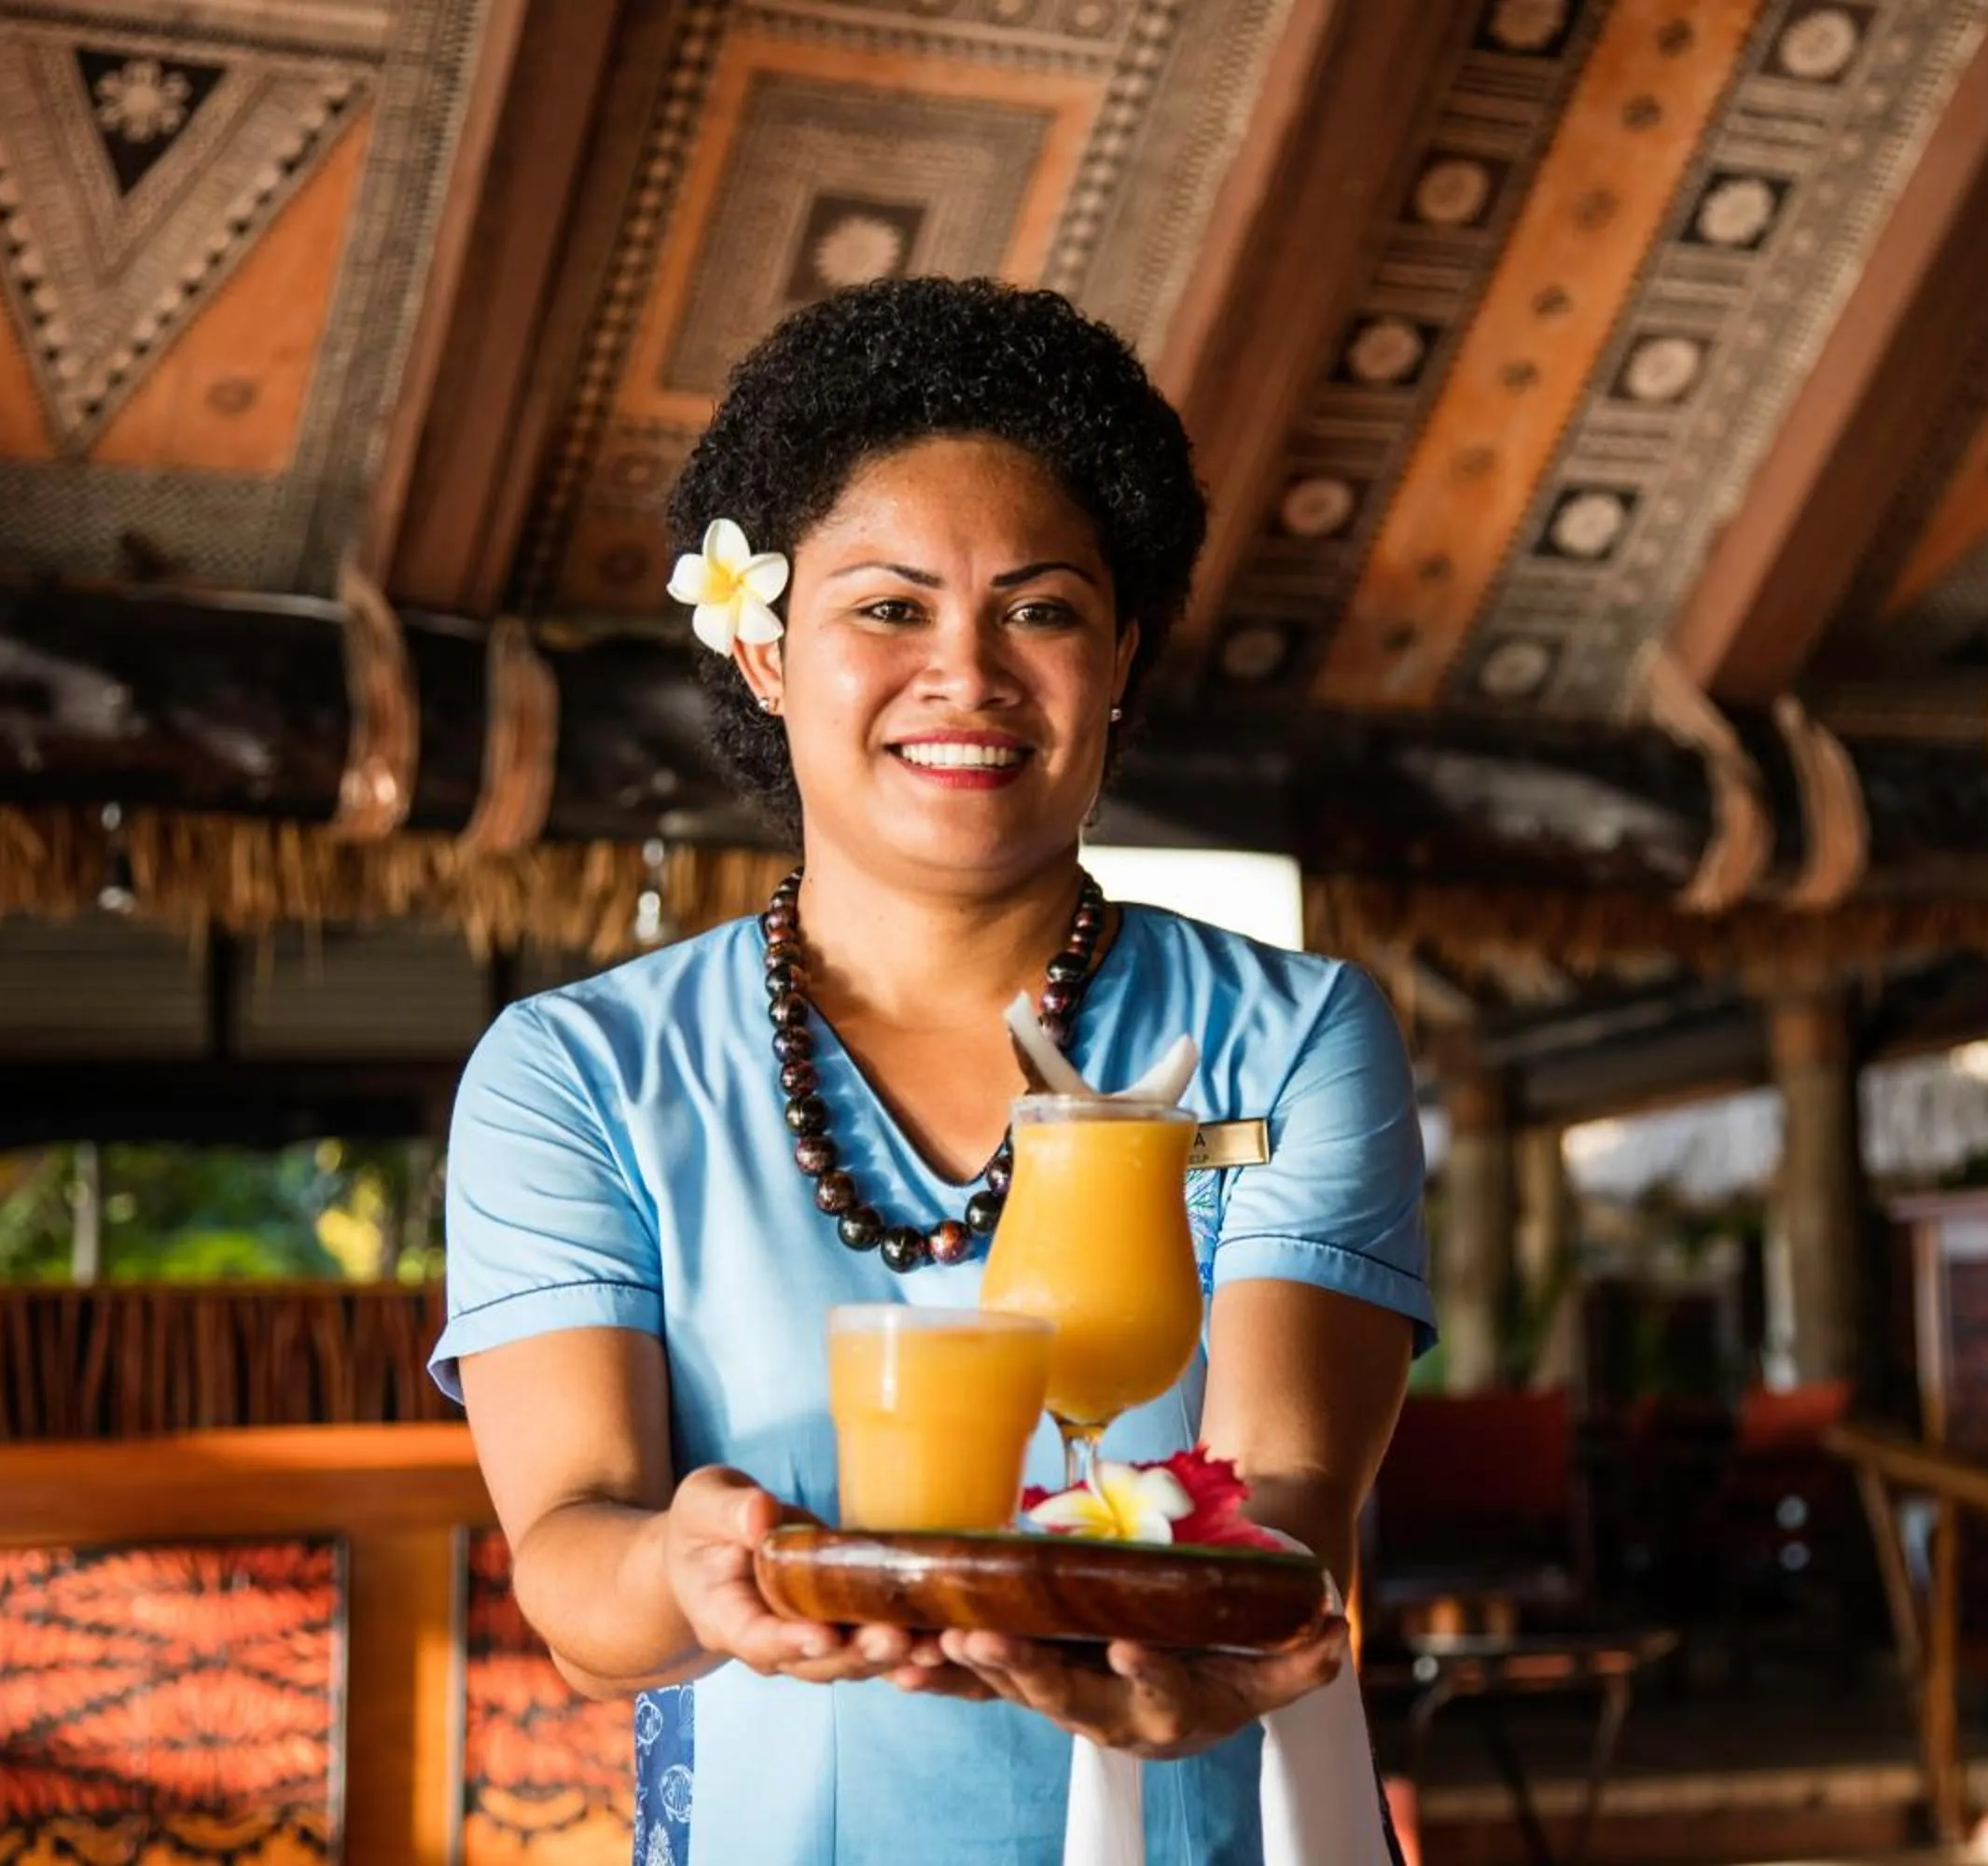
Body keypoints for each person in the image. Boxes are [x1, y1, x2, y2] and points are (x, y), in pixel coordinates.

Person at [432, 275, 1434, 1865]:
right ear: (765, 651)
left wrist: (1215, 1642)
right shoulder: (578, 1076)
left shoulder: (1293, 1035)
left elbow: (1290, 1486)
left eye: (1040, 608)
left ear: (1121, 659)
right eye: (887, 607)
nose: (967, 672)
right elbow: (574, 1565)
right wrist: (686, 1574)